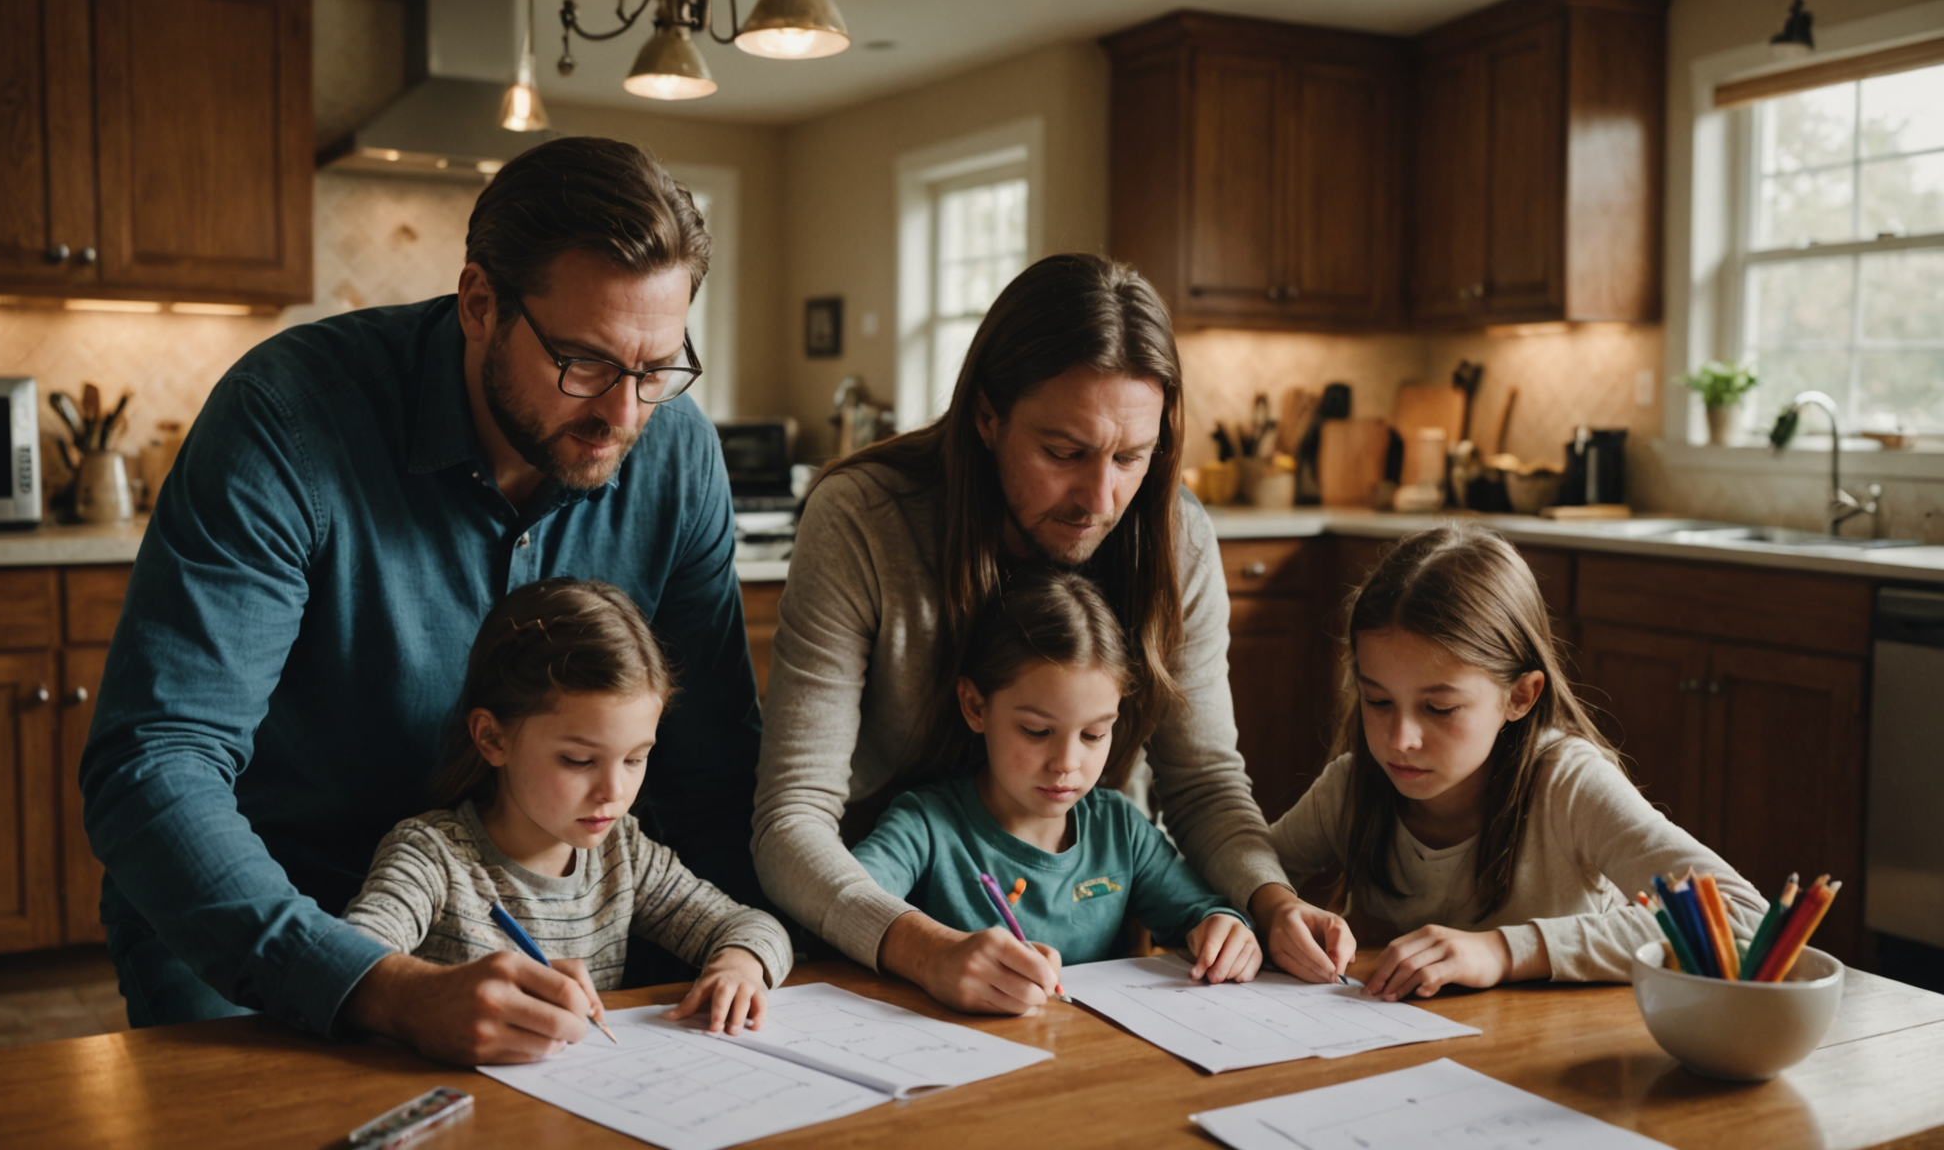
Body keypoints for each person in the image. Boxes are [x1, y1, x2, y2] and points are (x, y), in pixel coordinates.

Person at [79, 137, 765, 1064]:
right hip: (278, 911)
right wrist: (380, 987)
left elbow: (713, 768)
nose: (624, 415)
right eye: (586, 363)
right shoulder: (287, 417)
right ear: (480, 303)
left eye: (656, 369)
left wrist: (725, 960)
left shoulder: (672, 450)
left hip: (544, 915)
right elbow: (155, 763)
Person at [754, 253, 1321, 1017]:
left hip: (1090, 970)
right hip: (875, 954)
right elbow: (792, 817)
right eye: (1063, 453)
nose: (1100, 498)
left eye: (1132, 457)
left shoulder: (1175, 535)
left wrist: (1271, 901)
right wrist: (923, 946)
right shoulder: (863, 519)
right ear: (987, 417)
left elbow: (1205, 782)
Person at [1264, 523, 1767, 1000]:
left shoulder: (1568, 784)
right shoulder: (1352, 785)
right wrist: (1272, 908)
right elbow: (1237, 872)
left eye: (1439, 708)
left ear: (1520, 696)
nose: (1400, 739)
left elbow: (1744, 916)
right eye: (1377, 701)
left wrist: (1506, 950)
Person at [343, 580, 790, 1055]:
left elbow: (753, 926)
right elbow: (349, 958)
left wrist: (739, 966)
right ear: (493, 739)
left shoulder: (625, 854)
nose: (614, 792)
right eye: (579, 761)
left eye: (635, 759)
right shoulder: (430, 857)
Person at [851, 569, 1261, 998]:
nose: (1067, 763)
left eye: (1093, 735)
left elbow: (1200, 911)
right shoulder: (925, 827)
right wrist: (935, 951)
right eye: (1036, 731)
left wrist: (1224, 929)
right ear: (975, 706)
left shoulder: (1120, 830)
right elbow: (846, 907)